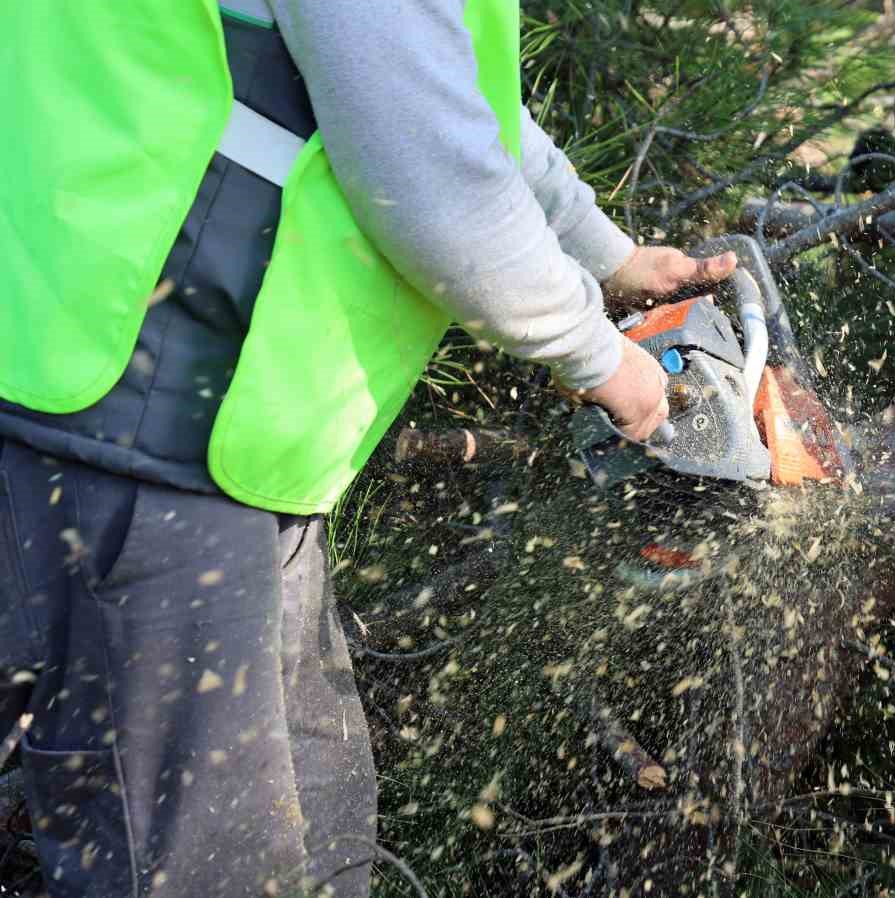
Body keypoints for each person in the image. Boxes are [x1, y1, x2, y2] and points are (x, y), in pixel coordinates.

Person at [0, 2, 735, 895]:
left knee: (321, 817)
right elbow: (428, 176)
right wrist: (606, 364)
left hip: (222, 437)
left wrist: (609, 255)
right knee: (206, 864)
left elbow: (440, 81)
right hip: (135, 402)